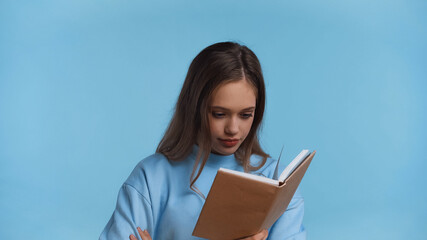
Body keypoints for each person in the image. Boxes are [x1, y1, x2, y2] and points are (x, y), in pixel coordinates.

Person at [99, 42, 306, 240]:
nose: (233, 129)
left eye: (245, 115)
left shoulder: (277, 185)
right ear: (194, 108)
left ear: (257, 112)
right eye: (219, 114)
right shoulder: (150, 178)